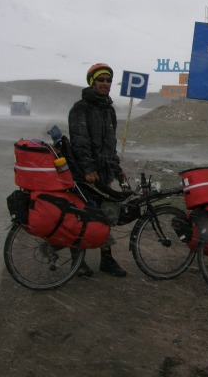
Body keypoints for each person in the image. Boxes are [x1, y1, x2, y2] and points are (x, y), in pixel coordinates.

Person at [68, 63, 128, 277]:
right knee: (83, 217)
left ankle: (107, 259)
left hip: (103, 174)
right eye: (101, 80)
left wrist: (117, 168)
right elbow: (79, 141)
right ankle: (77, 261)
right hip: (86, 175)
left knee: (105, 217)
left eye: (108, 80)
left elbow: (109, 144)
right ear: (92, 82)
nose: (105, 84)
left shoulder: (109, 110)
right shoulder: (80, 108)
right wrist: (87, 168)